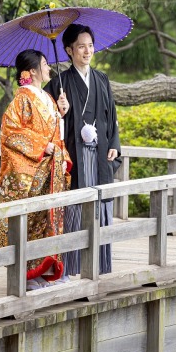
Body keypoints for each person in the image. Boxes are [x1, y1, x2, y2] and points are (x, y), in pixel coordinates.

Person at [0, 49, 72, 290]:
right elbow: (11, 131)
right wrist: (41, 145)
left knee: (47, 220)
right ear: (33, 71)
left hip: (49, 171)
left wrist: (61, 113)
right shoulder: (22, 98)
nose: (49, 69)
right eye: (45, 64)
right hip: (30, 171)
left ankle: (44, 269)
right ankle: (25, 274)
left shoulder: (47, 98)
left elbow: (57, 135)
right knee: (29, 220)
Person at [45, 23, 121, 276]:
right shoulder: (60, 83)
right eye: (81, 47)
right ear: (69, 50)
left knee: (101, 205)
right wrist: (60, 109)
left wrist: (115, 146)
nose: (87, 51)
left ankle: (100, 265)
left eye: (90, 46)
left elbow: (112, 118)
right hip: (75, 155)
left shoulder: (102, 79)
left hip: (100, 153)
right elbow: (47, 121)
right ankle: (72, 267)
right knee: (75, 208)